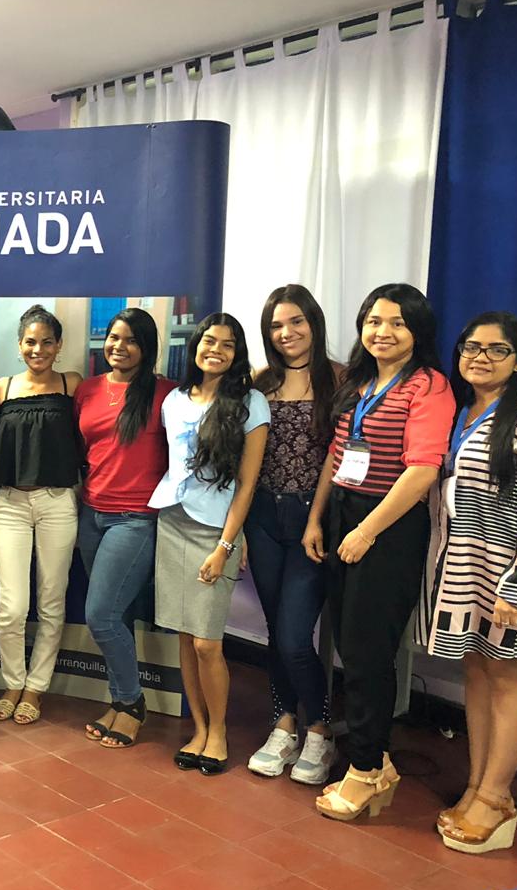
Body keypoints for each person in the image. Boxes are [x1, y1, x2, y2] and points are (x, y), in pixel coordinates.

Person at [305, 284, 454, 821]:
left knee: (368, 653)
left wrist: (367, 531)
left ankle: (366, 769)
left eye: (396, 323)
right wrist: (318, 518)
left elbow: (421, 472)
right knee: (348, 642)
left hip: (387, 525)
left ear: (418, 331)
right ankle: (375, 761)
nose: (382, 332)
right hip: (345, 513)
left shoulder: (430, 386)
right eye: (373, 321)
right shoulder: (360, 381)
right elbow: (337, 455)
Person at [419, 312, 517, 853]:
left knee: (510, 680)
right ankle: (476, 785)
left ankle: (496, 799)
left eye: (496, 350)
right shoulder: (463, 408)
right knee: (477, 671)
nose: (480, 357)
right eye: (472, 346)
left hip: (511, 576)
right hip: (463, 567)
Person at [149, 313, 269, 775]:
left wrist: (225, 545)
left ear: (237, 353)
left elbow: (247, 484)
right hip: (173, 520)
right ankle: (198, 728)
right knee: (183, 632)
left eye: (227, 344)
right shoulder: (175, 400)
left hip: (215, 532)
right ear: (195, 346)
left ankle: (218, 731)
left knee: (207, 643)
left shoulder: (250, 403)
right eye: (207, 341)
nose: (214, 349)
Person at [244, 286, 339, 784]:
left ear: (314, 323)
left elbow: (338, 457)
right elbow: (246, 463)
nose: (287, 333)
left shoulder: (340, 381)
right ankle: (283, 724)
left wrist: (317, 519)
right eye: (277, 326)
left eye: (296, 322)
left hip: (311, 523)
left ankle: (320, 730)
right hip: (262, 517)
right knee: (274, 631)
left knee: (294, 636)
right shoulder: (260, 384)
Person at [76, 308, 176, 747]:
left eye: (131, 339)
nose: (119, 346)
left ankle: (132, 702)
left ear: (147, 347)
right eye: (114, 337)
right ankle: (119, 701)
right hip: (91, 515)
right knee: (119, 614)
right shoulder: (87, 390)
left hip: (135, 519)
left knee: (100, 614)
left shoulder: (166, 395)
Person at [0, 304, 83, 725]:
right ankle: (13, 680)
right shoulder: (1, 388)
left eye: (47, 342)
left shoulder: (71, 385)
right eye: (30, 341)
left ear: (59, 346)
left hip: (57, 503)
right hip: (9, 503)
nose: (38, 349)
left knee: (51, 601)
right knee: (11, 606)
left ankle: (36, 687)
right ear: (19, 344)